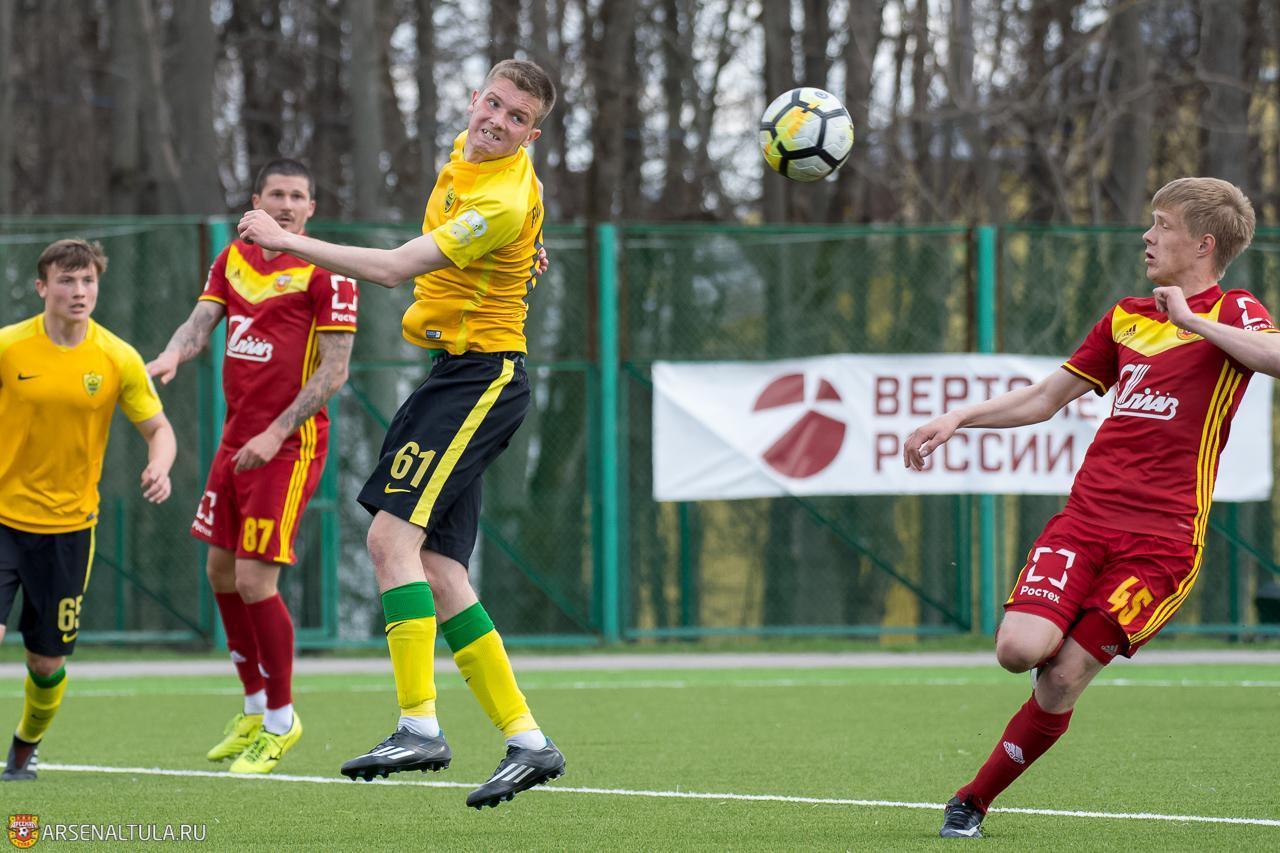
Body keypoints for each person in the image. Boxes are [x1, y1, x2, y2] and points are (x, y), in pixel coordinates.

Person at [903, 177, 1280, 838]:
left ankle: (970, 801)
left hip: (1162, 543)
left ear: (1203, 244)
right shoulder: (1126, 316)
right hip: (1085, 521)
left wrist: (1195, 322)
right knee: (1018, 650)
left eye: (1162, 225)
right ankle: (1053, 652)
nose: (1147, 236)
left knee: (1061, 679)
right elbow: (1044, 398)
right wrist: (959, 416)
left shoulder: (1235, 310)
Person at [237, 58, 561, 809]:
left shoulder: (503, 198)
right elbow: (514, 226)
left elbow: (391, 268)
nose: (498, 121)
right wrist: (525, 252)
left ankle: (419, 725)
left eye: (517, 118)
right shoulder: (474, 156)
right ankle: (528, 742)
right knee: (440, 569)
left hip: (480, 379)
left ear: (532, 136)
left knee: (389, 540)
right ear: (475, 97)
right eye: (494, 103)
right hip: (458, 373)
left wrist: (287, 240)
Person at [147, 159, 358, 774]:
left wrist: (275, 431)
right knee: (219, 571)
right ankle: (254, 705)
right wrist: (173, 354)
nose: (286, 205)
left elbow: (335, 370)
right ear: (255, 201)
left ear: (311, 208)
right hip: (236, 440)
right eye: (276, 194)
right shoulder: (233, 257)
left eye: (298, 196)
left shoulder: (329, 270)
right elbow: (201, 322)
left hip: (287, 446)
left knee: (254, 580)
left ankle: (282, 721)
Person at [0, 239, 176, 781]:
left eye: (88, 281)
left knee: (46, 662)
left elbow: (159, 429)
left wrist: (160, 466)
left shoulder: (117, 357)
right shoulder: (8, 347)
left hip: (69, 529)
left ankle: (25, 746)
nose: (79, 291)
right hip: (3, 518)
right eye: (66, 280)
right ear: (41, 287)